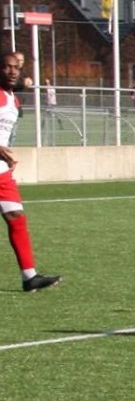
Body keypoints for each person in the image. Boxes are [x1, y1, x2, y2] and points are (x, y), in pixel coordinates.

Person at [0, 51, 61, 292]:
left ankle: (29, 277)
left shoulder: (12, 99)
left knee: (16, 216)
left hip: (1, 170)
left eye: (16, 67)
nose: (13, 71)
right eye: (7, 67)